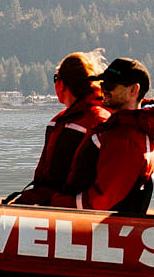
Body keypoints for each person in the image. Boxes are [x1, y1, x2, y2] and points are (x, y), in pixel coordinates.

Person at [61, 58, 154, 214]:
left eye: (109, 86)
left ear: (134, 90)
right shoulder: (122, 129)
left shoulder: (126, 139)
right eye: (102, 84)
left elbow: (98, 203)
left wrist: (51, 202)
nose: (103, 90)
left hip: (89, 223)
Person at [17, 50, 107, 204]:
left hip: (61, 204)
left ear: (63, 84)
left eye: (55, 78)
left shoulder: (93, 120)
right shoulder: (69, 120)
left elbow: (53, 181)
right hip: (57, 199)